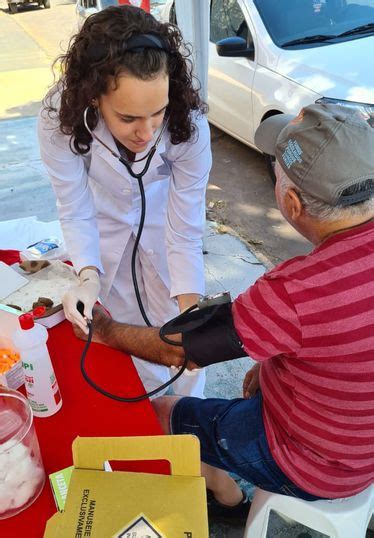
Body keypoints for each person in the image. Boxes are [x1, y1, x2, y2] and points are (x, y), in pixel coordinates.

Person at [73, 103, 374, 523]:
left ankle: (228, 499)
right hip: (361, 445)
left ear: (291, 201)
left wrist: (105, 330)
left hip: (318, 467)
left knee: (161, 411)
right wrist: (272, 367)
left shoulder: (297, 291)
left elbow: (181, 351)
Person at [38, 5, 212, 397]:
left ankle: (186, 416)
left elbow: (185, 229)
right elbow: (73, 206)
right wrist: (87, 277)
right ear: (94, 96)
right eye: (129, 117)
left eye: (158, 113)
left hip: (165, 230)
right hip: (104, 229)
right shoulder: (57, 118)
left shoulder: (191, 123)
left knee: (181, 339)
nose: (147, 132)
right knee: (124, 339)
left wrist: (190, 309)